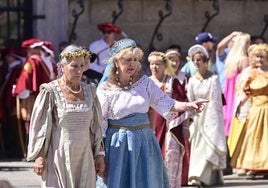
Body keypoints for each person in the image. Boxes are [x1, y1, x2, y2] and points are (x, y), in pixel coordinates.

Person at [96, 38, 208, 188]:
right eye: (128, 60)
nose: (132, 64)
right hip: (118, 145)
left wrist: (189, 105)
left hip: (144, 142)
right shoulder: (105, 89)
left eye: (135, 60)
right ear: (116, 62)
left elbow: (167, 103)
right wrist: (100, 154)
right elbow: (99, 123)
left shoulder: (145, 83)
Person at [27, 45, 105, 187]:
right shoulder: (50, 91)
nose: (79, 70)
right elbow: (41, 126)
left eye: (82, 65)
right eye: (74, 66)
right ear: (62, 67)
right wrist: (39, 156)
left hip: (84, 156)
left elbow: (96, 126)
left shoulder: (90, 91)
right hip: (59, 156)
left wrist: (100, 154)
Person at [148, 51, 190, 188]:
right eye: (151, 64)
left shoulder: (172, 82)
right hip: (150, 125)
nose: (154, 67)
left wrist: (185, 126)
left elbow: (181, 104)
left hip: (170, 127)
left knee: (169, 159)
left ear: (164, 65)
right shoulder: (145, 83)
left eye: (158, 64)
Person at [186, 44, 227, 186]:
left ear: (205, 61)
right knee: (198, 148)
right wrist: (191, 118)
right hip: (198, 118)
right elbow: (190, 100)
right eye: (194, 60)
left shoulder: (213, 79)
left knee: (209, 148)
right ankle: (196, 176)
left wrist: (212, 121)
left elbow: (216, 101)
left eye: (199, 60)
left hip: (211, 117)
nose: (196, 63)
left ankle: (204, 177)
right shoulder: (191, 80)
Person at [12, 38, 58, 157]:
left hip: (33, 98)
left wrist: (18, 92)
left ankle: (31, 151)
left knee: (30, 123)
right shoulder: (48, 61)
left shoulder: (32, 62)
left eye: (28, 49)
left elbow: (25, 80)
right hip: (47, 96)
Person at [230, 43, 268, 179]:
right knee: (254, 138)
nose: (259, 60)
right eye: (257, 57)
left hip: (267, 108)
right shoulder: (252, 74)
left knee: (266, 139)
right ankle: (253, 168)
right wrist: (239, 105)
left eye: (262, 57)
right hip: (256, 110)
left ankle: (265, 167)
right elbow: (247, 92)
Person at [223, 32, 250, 137]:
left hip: (228, 92)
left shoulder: (230, 58)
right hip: (237, 91)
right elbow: (245, 79)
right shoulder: (244, 59)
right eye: (248, 42)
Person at [0, 46, 25, 158]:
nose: (7, 58)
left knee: (16, 127)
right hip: (7, 103)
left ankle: (19, 149)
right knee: (10, 127)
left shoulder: (19, 70)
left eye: (9, 56)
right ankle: (13, 148)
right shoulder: (10, 70)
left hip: (14, 103)